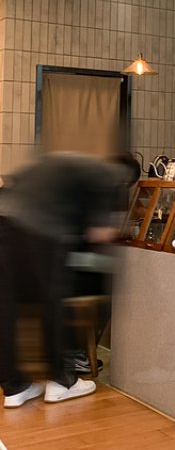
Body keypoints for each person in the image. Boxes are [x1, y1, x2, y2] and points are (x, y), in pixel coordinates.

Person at [0, 151, 139, 408]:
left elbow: (11, 183)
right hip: (41, 230)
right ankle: (62, 382)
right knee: (53, 302)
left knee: (6, 307)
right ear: (126, 179)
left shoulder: (65, 161)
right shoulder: (107, 178)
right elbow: (100, 233)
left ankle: (14, 388)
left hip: (5, 223)